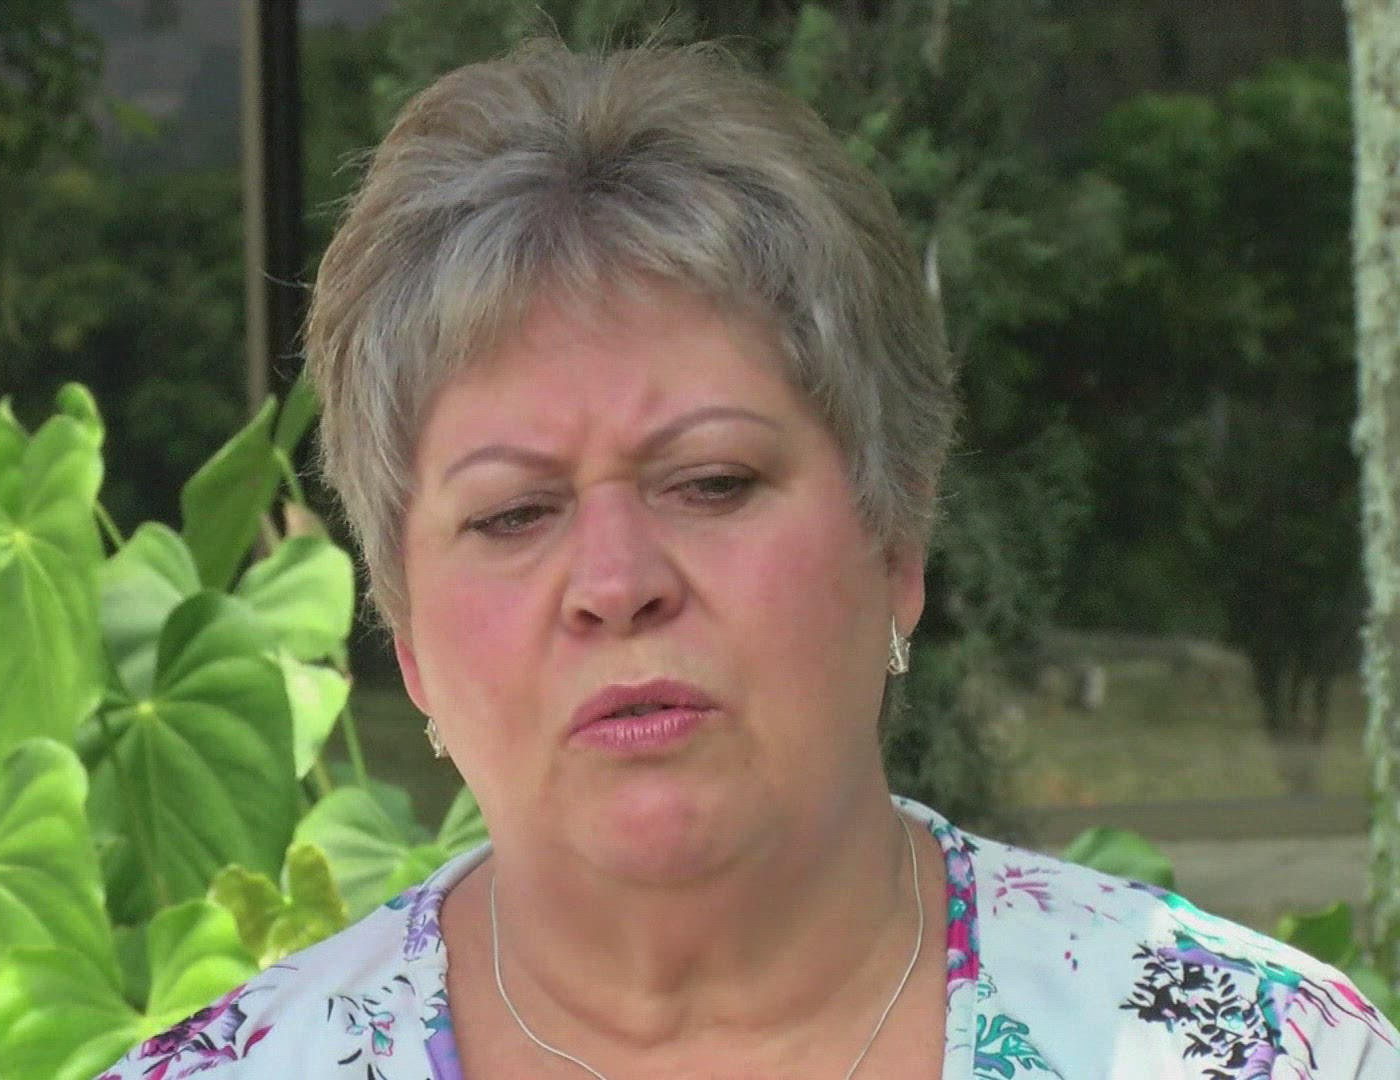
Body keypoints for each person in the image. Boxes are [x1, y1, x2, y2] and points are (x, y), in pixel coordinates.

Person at [98, 38, 1399, 1079]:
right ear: (409, 631)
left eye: (712, 483)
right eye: (513, 514)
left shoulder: (1258, 1054)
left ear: (896, 538)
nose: (618, 583)